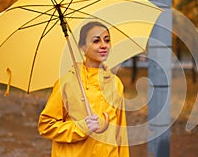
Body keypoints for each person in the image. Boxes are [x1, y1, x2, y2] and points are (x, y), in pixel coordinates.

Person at [38, 21, 130, 157]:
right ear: (82, 47)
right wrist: (81, 128)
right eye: (96, 41)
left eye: (107, 40)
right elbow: (46, 126)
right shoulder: (67, 83)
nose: (104, 45)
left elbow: (120, 133)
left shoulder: (115, 83)